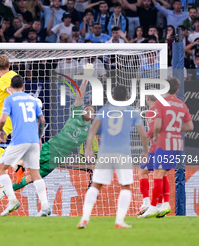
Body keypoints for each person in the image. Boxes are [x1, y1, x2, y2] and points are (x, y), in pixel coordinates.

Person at [0, 64, 99, 205]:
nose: (89, 112)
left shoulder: (89, 132)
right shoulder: (75, 115)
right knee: (24, 165)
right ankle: (13, 166)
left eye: (92, 112)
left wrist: (91, 159)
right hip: (49, 148)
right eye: (88, 109)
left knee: (31, 179)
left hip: (55, 160)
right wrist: (86, 78)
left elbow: (88, 151)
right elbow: (80, 95)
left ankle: (4, 191)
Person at [77, 85, 148, 229]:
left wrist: (88, 149)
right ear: (127, 98)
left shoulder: (104, 111)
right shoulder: (131, 112)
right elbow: (143, 134)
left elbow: (92, 130)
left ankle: (84, 219)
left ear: (113, 97)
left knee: (96, 185)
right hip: (123, 153)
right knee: (126, 187)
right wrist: (145, 151)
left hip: (105, 153)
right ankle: (119, 221)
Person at [0, 75, 50, 216]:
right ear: (23, 86)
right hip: (33, 141)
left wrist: (1, 131)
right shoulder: (32, 100)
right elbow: (42, 120)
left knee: (0, 169)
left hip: (20, 140)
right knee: (35, 174)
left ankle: (12, 201)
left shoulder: (9, 99)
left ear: (12, 87)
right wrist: (39, 138)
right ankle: (45, 206)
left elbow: (2, 118)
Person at [140, 77, 194, 218]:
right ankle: (162, 204)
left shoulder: (160, 105)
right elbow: (190, 126)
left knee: (157, 174)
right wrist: (175, 128)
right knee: (161, 173)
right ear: (177, 90)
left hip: (162, 143)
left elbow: (157, 126)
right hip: (176, 144)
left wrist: (151, 134)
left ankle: (154, 205)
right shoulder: (182, 105)